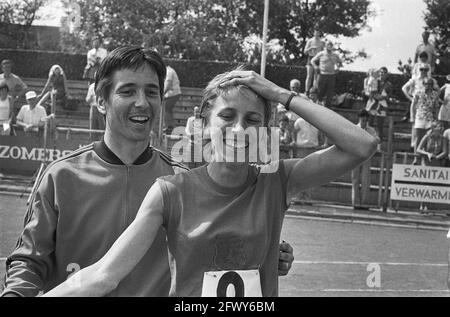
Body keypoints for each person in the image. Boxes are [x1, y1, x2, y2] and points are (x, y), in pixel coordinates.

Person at [43, 67, 378, 297]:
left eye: (252, 120)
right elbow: (104, 274)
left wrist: (280, 94)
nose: (238, 130)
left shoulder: (278, 180)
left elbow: (362, 145)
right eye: (227, 117)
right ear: (203, 125)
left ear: (265, 130)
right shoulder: (170, 192)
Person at [0, 47, 294, 297]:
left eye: (151, 92)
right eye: (128, 91)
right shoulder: (60, 176)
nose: (142, 102)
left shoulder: (179, 183)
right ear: (101, 101)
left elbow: (222, 243)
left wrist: (264, 250)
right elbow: (28, 260)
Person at [351, 110, 380, 209]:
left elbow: (377, 140)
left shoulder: (371, 130)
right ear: (359, 118)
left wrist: (374, 139)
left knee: (365, 180)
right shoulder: (354, 128)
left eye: (365, 118)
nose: (364, 120)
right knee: (355, 180)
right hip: (355, 156)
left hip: (366, 156)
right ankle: (355, 203)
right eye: (362, 118)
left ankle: (364, 203)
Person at [410, 78, 440, 164]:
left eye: (430, 84)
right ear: (424, 84)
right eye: (427, 84)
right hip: (419, 117)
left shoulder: (435, 94)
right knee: (418, 138)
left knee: (427, 139)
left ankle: (424, 159)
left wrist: (436, 119)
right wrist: (412, 116)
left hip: (430, 118)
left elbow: (436, 107)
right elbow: (413, 105)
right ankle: (416, 158)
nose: (429, 86)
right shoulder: (418, 92)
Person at [311, 41, 342, 108]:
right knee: (320, 91)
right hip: (322, 75)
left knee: (330, 92)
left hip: (331, 75)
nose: (329, 46)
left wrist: (338, 68)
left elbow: (340, 62)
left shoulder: (335, 55)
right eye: (328, 45)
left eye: (330, 45)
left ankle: (328, 106)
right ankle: (318, 105)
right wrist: (316, 66)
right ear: (325, 46)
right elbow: (312, 60)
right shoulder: (321, 53)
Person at [304, 29, 325, 96]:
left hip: (318, 59)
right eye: (315, 32)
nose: (316, 33)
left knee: (316, 77)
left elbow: (323, 52)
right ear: (314, 33)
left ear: (319, 33)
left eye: (318, 32)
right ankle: (307, 91)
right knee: (309, 76)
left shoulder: (322, 42)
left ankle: (314, 92)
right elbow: (305, 52)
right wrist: (311, 48)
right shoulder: (310, 41)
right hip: (310, 58)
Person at [162, 65, 181, 135]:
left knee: (166, 108)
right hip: (172, 93)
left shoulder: (168, 71)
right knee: (168, 109)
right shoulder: (169, 70)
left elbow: (168, 84)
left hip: (174, 93)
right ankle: (170, 127)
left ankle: (169, 127)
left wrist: (162, 94)